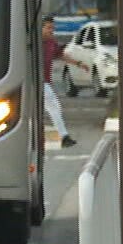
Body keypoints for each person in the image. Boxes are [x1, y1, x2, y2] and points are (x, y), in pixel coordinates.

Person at [40, 20, 76, 148]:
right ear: (40, 28)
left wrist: (77, 64)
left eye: (52, 28)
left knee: (53, 108)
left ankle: (64, 136)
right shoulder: (32, 42)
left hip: (43, 83)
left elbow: (60, 55)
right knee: (53, 108)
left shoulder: (51, 43)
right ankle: (63, 136)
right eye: (48, 28)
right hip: (34, 83)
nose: (51, 31)